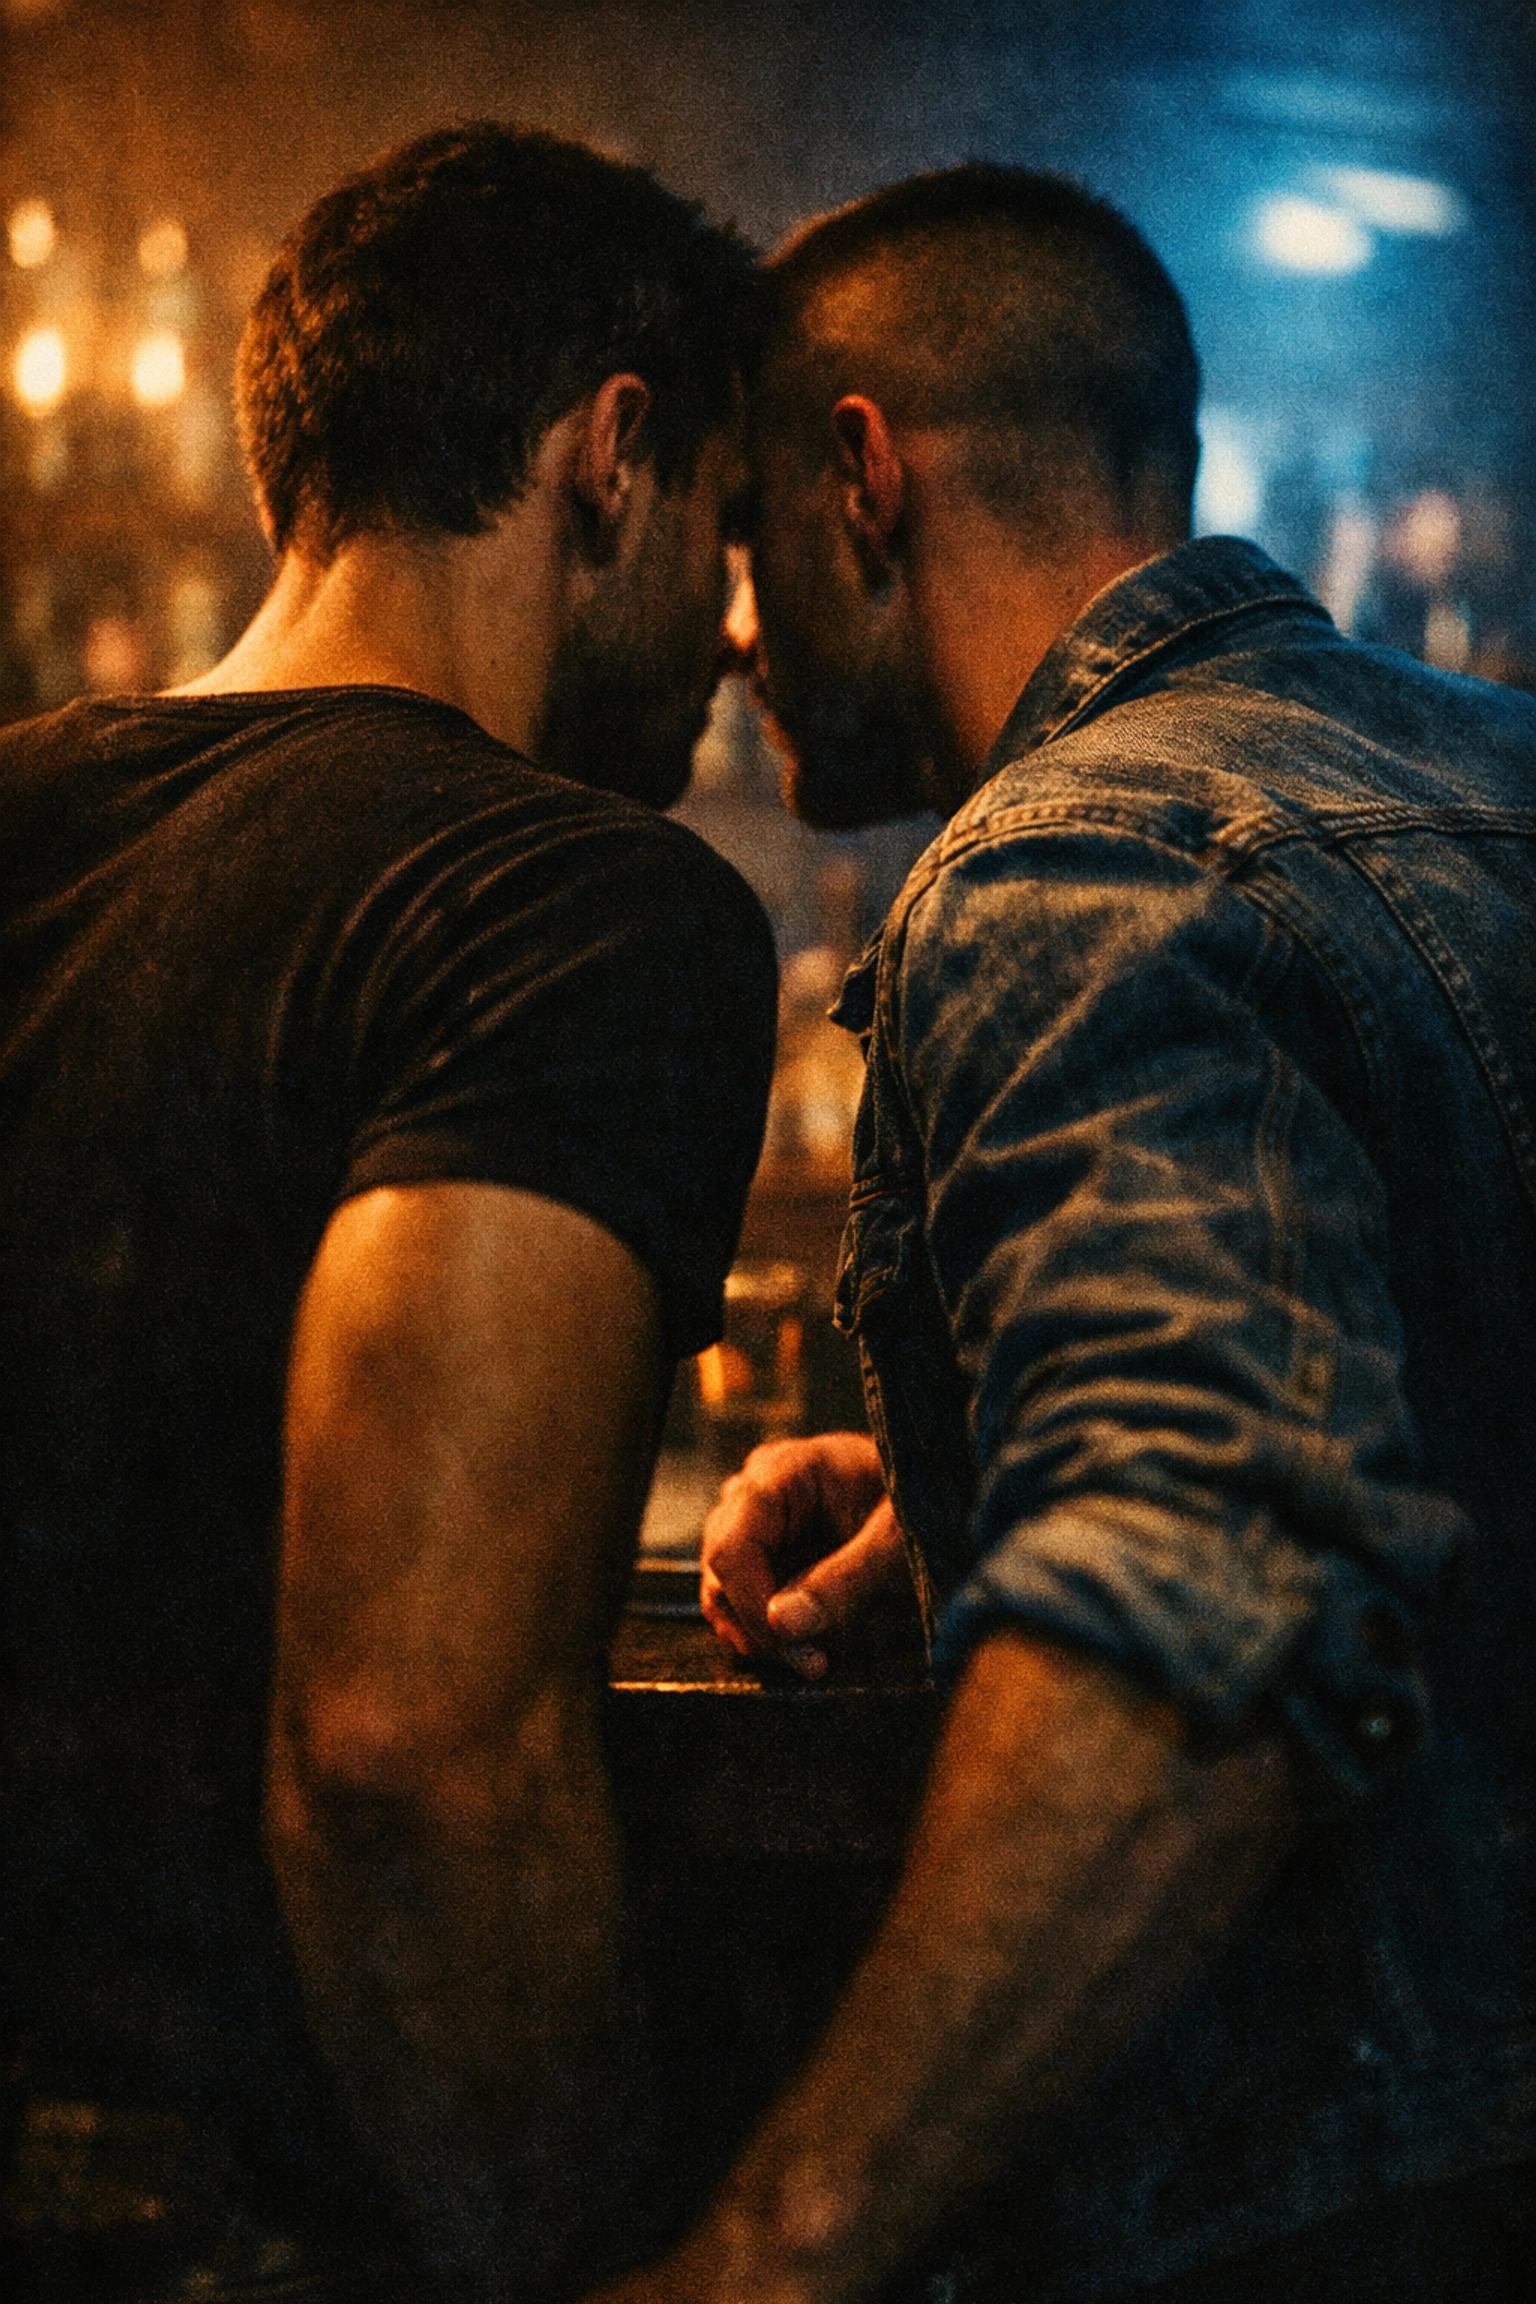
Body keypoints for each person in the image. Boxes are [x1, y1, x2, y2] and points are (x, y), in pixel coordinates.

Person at [651, 165, 1536, 2303]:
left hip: (1326, 2208)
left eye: (750, 539)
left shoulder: (1069, 862)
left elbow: (1213, 1586)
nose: (736, 631)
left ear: (862, 478)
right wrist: (979, 1475)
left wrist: (770, 2250)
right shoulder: (1496, 761)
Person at [0, 124, 777, 2302]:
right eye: (724, 526)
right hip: (215, 2208)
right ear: (612, 455)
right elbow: (412, 1754)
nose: (737, 627)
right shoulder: (571, 906)